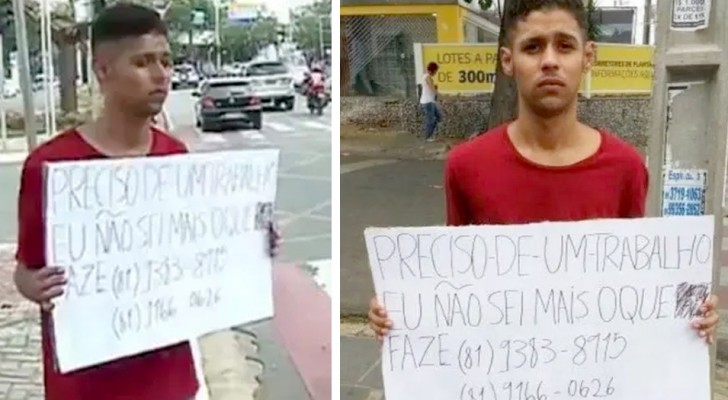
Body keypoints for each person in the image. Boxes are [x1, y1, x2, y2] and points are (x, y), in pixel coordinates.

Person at [368, 0, 719, 343]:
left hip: (594, 378)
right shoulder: (467, 166)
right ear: (508, 60)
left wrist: (690, 317)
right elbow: (453, 285)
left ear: (588, 56)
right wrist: (399, 314)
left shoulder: (625, 168)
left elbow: (634, 287)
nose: (549, 61)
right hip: (497, 377)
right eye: (533, 47)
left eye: (565, 46)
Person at [13, 4, 280, 400]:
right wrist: (34, 286)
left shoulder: (174, 157)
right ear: (102, 71)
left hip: (173, 385)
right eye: (142, 62)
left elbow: (194, 251)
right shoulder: (49, 166)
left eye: (166, 61)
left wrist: (249, 244)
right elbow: (25, 271)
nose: (161, 75)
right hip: (86, 388)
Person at [420, 61, 441, 142]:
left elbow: (429, 89)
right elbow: (433, 90)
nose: (436, 73)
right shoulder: (428, 77)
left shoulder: (425, 76)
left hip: (430, 101)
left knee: (439, 117)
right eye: (436, 71)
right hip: (428, 102)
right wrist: (441, 94)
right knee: (430, 120)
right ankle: (427, 137)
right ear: (433, 70)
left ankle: (430, 133)